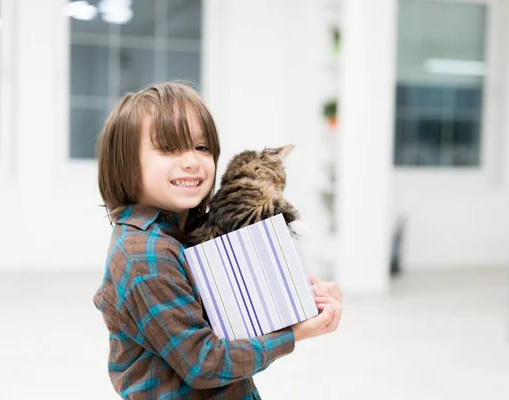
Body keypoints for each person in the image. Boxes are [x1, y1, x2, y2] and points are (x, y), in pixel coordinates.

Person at [93, 81, 343, 399]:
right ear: (125, 163)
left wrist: (305, 299)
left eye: (202, 148)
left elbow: (238, 314)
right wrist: (295, 333)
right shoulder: (144, 253)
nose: (192, 161)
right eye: (169, 148)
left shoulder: (192, 226)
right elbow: (205, 363)